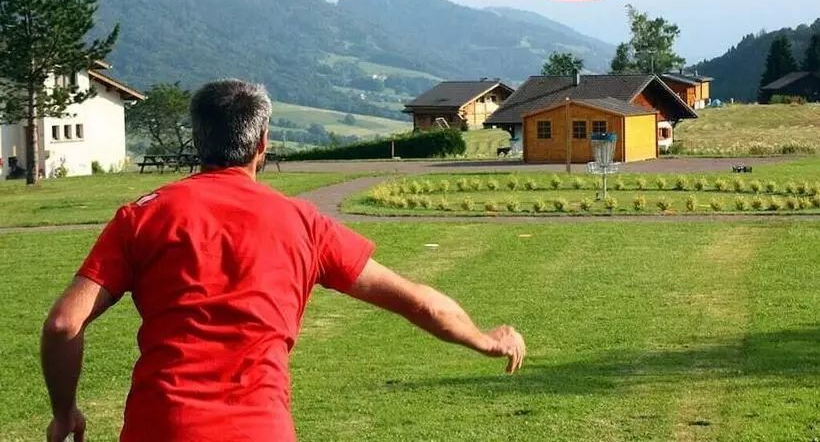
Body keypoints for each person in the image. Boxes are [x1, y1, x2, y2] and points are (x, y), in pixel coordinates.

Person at [40, 79, 526, 442]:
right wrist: (485, 339)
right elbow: (418, 301)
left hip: (161, 426)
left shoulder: (144, 216)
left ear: (199, 139)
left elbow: (64, 324)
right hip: (260, 429)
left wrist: (65, 412)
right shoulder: (304, 223)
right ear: (262, 143)